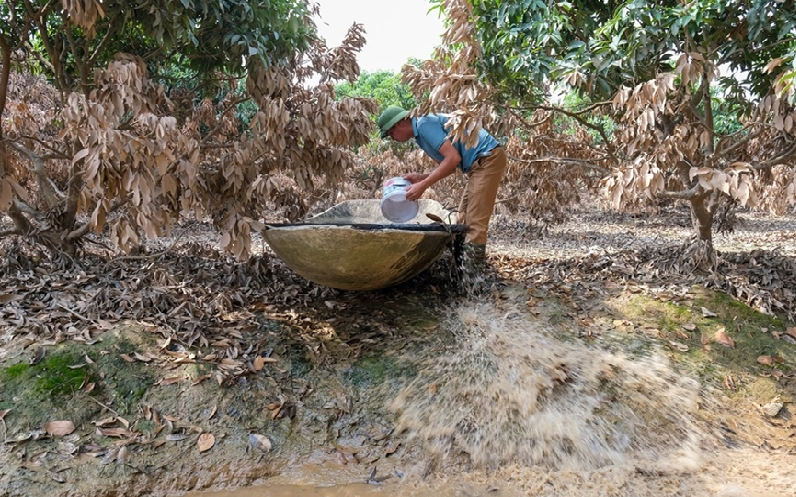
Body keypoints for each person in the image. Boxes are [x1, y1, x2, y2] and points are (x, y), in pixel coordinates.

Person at [377, 105, 508, 267]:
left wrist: (424, 185)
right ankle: (461, 267)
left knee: (475, 224)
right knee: (461, 218)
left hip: (487, 159)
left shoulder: (423, 123)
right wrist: (421, 178)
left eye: (391, 134)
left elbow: (453, 159)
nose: (393, 138)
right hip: (478, 165)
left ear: (400, 124)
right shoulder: (420, 135)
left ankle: (474, 282)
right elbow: (450, 167)